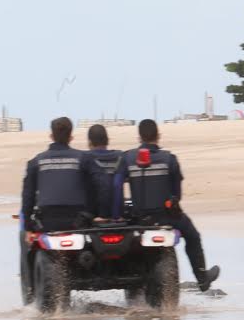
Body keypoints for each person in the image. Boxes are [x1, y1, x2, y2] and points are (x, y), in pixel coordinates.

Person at [112, 118, 221, 291]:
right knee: (193, 236)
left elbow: (117, 186)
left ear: (139, 137)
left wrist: (117, 215)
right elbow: (176, 194)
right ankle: (202, 278)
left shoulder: (127, 158)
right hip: (166, 217)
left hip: (139, 219)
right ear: (158, 136)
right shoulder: (169, 159)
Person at [20, 117, 102, 233]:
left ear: (51, 137)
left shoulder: (35, 162)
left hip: (47, 222)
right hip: (78, 221)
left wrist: (28, 226)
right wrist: (91, 215)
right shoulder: (84, 159)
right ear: (70, 137)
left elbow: (27, 196)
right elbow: (97, 188)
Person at [84, 124, 121, 217]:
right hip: (117, 215)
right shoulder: (120, 157)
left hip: (92, 216)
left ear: (89, 142)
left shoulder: (85, 158)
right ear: (107, 140)